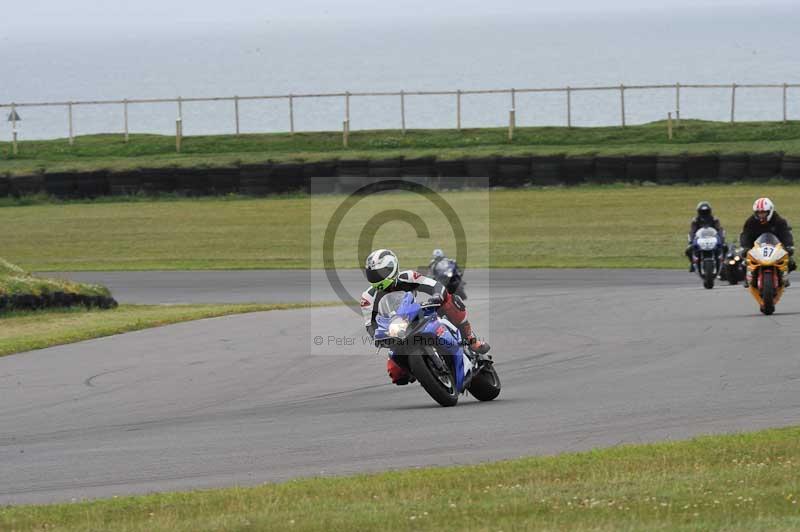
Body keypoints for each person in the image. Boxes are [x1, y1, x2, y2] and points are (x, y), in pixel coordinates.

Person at [361, 249, 490, 385]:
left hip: (416, 314)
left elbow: (435, 286)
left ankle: (471, 339)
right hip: (395, 330)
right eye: (372, 274)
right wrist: (378, 336)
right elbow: (370, 324)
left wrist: (436, 296)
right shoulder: (367, 297)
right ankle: (427, 371)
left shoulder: (408, 276)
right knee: (396, 374)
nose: (376, 278)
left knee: (452, 301)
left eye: (379, 273)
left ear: (392, 268)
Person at [740, 197, 796, 285]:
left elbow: (786, 234)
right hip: (756, 248)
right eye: (758, 213)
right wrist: (745, 247)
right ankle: (749, 277)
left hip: (776, 248)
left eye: (763, 212)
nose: (761, 215)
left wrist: (789, 246)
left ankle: (783, 275)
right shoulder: (751, 221)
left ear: (770, 211)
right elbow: (745, 235)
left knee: (791, 262)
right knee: (743, 262)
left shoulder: (779, 221)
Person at [685, 201, 726, 272]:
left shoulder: (714, 219)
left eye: (706, 211)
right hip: (700, 239)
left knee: (725, 247)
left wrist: (721, 238)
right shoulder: (695, 220)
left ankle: (723, 263)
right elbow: (692, 231)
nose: (704, 213)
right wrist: (691, 241)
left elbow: (719, 229)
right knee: (688, 250)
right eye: (702, 212)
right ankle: (692, 263)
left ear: (709, 211)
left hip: (712, 238)